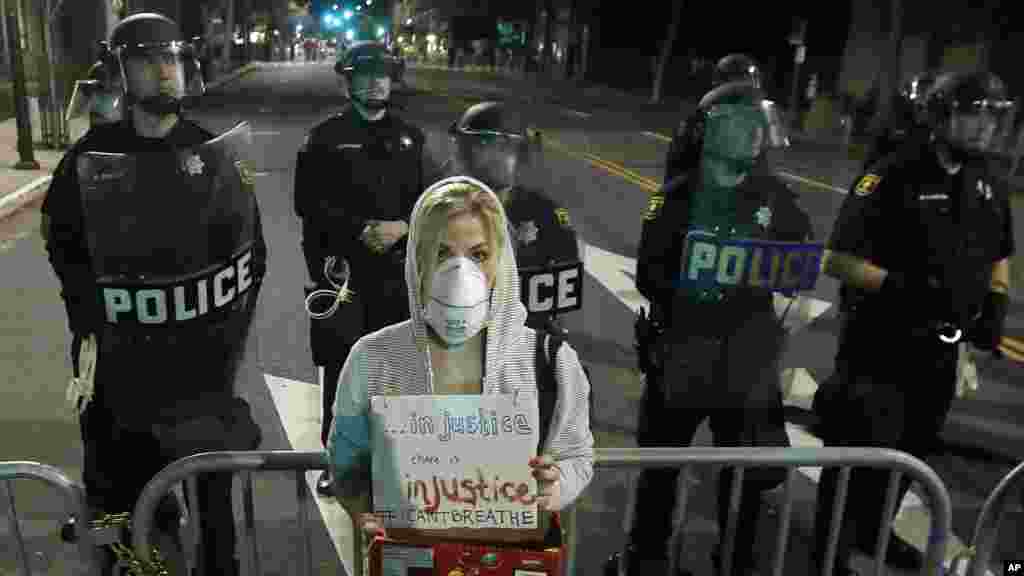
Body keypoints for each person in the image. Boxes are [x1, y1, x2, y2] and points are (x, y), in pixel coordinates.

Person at [41, 12, 265, 575]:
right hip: (124, 377)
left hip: (202, 375)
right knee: (125, 530)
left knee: (217, 528)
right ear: (122, 74)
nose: (165, 73)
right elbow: (65, 252)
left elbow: (250, 251)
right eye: (148, 62)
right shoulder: (88, 164)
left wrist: (223, 325)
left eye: (171, 60)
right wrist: (96, 319)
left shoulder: (214, 155)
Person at [813, 70, 1015, 575]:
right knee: (858, 451)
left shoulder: (987, 179)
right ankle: (830, 548)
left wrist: (995, 302)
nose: (989, 126)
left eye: (996, 115)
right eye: (978, 114)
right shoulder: (895, 170)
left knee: (912, 451)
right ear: (944, 113)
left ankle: (874, 533)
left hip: (940, 351)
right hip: (879, 345)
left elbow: (1000, 252)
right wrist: (903, 290)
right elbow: (839, 258)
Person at [615, 80, 813, 576]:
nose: (754, 138)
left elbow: (800, 260)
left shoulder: (777, 196)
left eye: (758, 128)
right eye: (744, 127)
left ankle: (736, 564)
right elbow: (650, 276)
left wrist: (767, 272)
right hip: (681, 354)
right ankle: (647, 561)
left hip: (745, 360)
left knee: (745, 478)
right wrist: (711, 277)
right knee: (659, 472)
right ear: (713, 132)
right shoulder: (675, 198)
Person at [327, 175, 594, 541]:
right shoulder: (372, 359)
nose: (460, 273)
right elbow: (346, 462)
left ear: (502, 261)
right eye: (441, 253)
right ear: (416, 260)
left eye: (478, 255)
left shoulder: (551, 363)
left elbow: (578, 456)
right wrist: (360, 511)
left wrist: (557, 485)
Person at [294, 40, 439, 496]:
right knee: (342, 369)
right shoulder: (323, 138)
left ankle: (399, 459)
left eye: (383, 73)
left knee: (400, 368)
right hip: (344, 278)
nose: (376, 80)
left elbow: (431, 201)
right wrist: (358, 229)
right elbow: (307, 204)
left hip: (399, 277)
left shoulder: (412, 139)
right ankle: (337, 461)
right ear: (347, 78)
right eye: (366, 72)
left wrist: (401, 228)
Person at [446, 101, 582, 332]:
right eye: (486, 145)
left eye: (506, 148)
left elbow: (562, 293)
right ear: (468, 150)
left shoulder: (545, 212)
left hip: (522, 340)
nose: (498, 156)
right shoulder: (440, 205)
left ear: (519, 153)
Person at [664, 53, 778, 185]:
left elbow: (762, 161)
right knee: (664, 195)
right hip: (707, 185)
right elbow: (676, 166)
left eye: (749, 85)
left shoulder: (758, 113)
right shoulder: (704, 116)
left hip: (743, 189)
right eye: (739, 85)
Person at [861, 70, 938, 169]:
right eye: (921, 89)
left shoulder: (931, 116)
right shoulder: (903, 108)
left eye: (927, 90)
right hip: (887, 160)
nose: (923, 93)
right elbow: (885, 139)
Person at [66, 54, 124, 128]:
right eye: (102, 75)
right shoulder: (89, 92)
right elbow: (79, 117)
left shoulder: (119, 91)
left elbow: (116, 117)